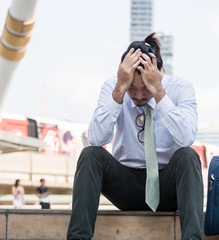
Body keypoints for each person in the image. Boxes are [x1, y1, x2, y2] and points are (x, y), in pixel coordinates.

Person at [67, 32, 203, 240]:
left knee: (188, 155)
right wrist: (120, 90)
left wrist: (157, 92)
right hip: (126, 184)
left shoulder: (180, 88)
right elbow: (96, 139)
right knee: (90, 155)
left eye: (145, 89)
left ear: (160, 73)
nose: (139, 96)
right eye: (133, 88)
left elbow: (186, 139)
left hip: (167, 184)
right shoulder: (114, 86)